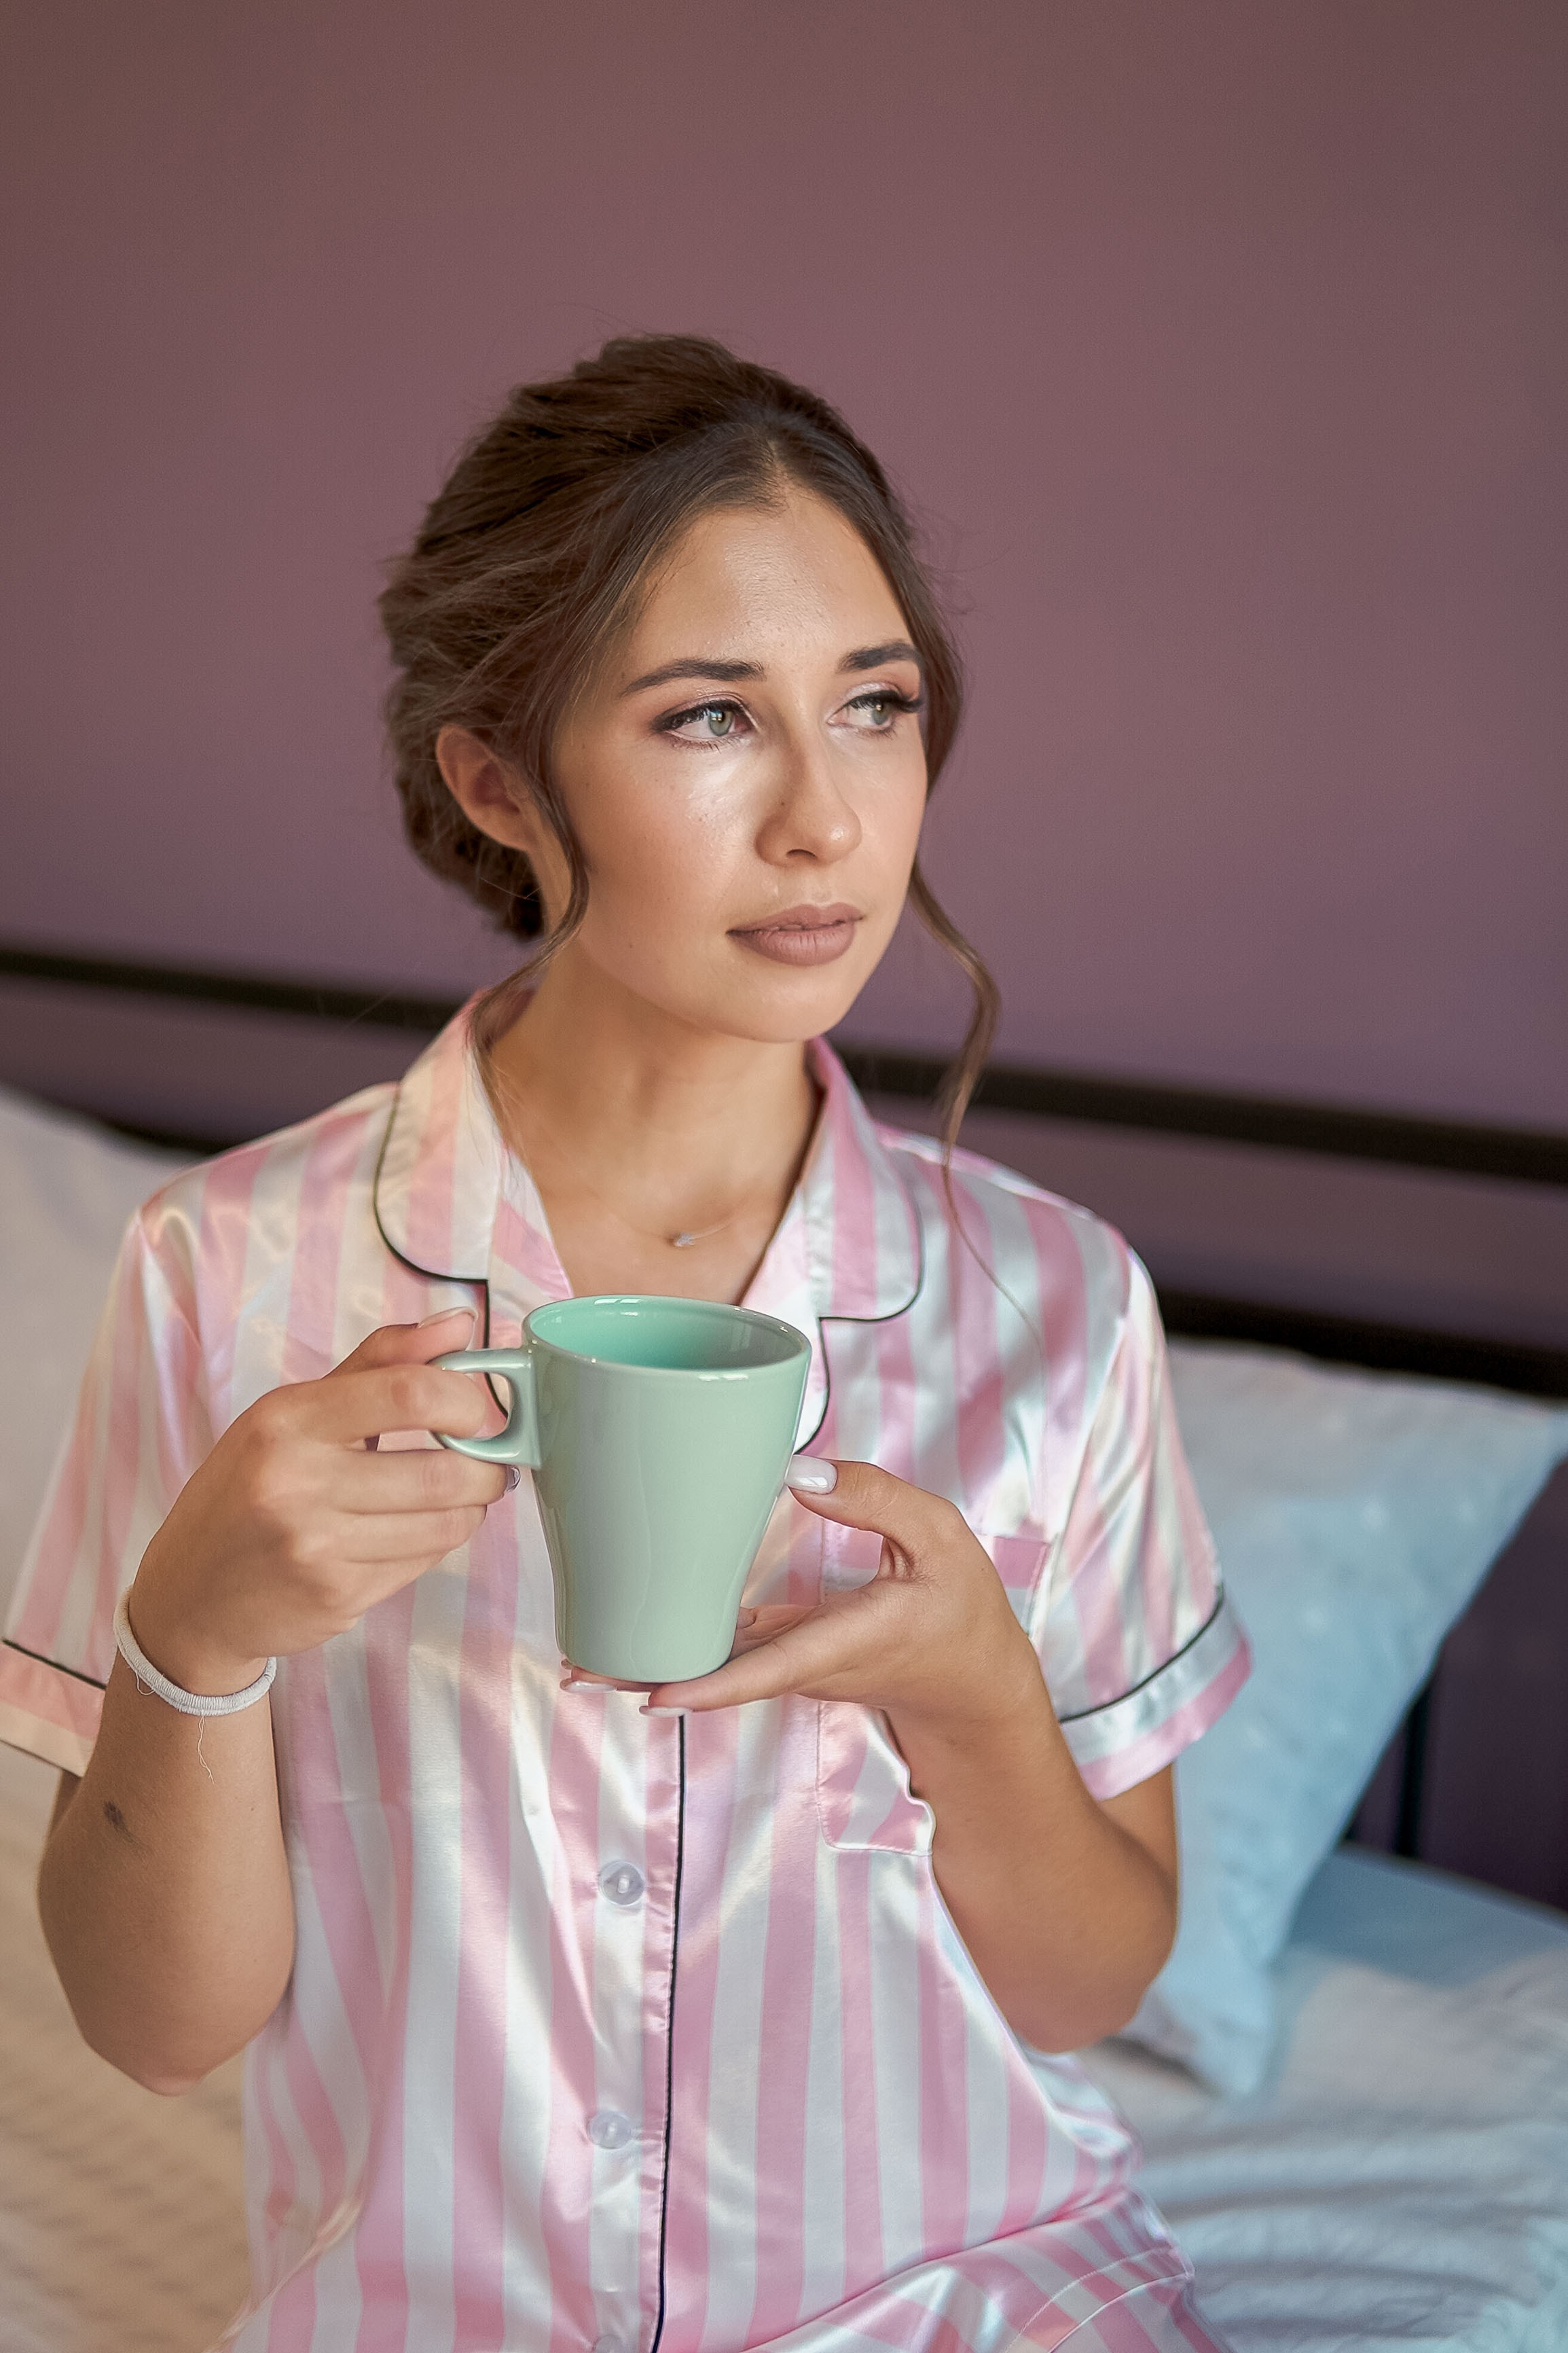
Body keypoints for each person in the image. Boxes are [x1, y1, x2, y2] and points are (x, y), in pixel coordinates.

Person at [1, 336, 1249, 2351]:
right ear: (500, 782)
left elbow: (1082, 1989)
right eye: (709, 718)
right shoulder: (225, 1274)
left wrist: (976, 1700)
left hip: (957, 2302)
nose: (830, 823)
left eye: (876, 705)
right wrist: (192, 1639)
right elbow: (155, 2032)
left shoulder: (1059, 1305)